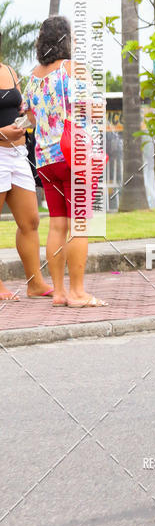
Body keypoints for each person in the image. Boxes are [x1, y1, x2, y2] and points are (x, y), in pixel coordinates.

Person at [23, 16, 106, 308]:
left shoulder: (32, 77)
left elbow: (28, 117)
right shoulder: (73, 70)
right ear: (67, 39)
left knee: (57, 224)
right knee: (79, 225)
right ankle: (78, 292)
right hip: (75, 156)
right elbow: (96, 107)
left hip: (45, 159)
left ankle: (59, 292)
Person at [0, 48, 53, 302]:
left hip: (18, 155)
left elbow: (22, 110)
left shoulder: (9, 71)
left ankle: (35, 283)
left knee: (30, 220)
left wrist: (25, 122)